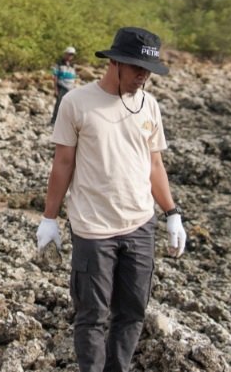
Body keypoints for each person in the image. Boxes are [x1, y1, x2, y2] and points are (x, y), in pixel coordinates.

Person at [36, 27, 188, 372]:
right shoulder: (76, 103)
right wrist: (50, 218)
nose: (142, 76)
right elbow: (62, 163)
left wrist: (172, 213)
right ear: (115, 62)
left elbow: (155, 164)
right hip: (92, 229)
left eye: (147, 70)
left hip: (139, 226)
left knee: (133, 311)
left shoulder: (149, 105)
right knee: (92, 315)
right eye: (136, 68)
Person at [50, 46, 78, 125]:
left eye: (72, 55)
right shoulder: (58, 64)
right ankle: (54, 120)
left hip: (70, 88)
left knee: (69, 105)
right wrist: (55, 89)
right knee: (59, 104)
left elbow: (74, 77)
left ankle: (66, 122)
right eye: (69, 54)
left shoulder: (72, 65)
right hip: (62, 87)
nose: (70, 56)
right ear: (65, 54)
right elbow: (55, 76)